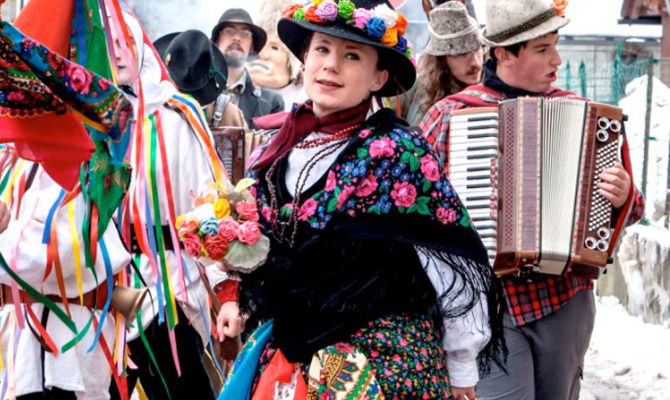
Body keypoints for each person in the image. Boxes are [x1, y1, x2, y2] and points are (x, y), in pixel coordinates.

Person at [216, 1, 504, 399]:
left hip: (381, 359)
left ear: (378, 78)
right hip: (287, 351)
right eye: (321, 49)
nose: (331, 65)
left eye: (351, 55)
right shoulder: (273, 152)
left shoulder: (399, 153)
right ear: (304, 59)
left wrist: (461, 365)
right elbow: (252, 239)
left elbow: (448, 262)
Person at [420, 0, 646, 399]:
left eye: (555, 45)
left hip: (563, 300)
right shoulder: (450, 115)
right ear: (504, 53)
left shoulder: (584, 113)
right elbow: (416, 211)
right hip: (487, 304)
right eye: (542, 49)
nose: (556, 60)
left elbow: (634, 210)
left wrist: (623, 195)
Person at [106, 10, 230, 400]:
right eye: (110, 44)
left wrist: (225, 287)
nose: (119, 54)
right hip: (114, 282)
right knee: (117, 379)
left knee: (178, 380)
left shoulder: (176, 116)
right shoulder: (99, 118)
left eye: (126, 42)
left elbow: (208, 204)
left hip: (170, 281)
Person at [396, 1, 485, 126]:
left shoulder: (493, 91)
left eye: (478, 50)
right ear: (442, 60)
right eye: (461, 54)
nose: (476, 63)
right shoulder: (412, 89)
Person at [210, 8, 284, 129]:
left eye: (245, 33)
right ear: (216, 42)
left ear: (252, 47)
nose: (237, 38)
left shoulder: (272, 103)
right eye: (229, 31)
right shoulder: (194, 88)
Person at [248, 0, 307, 111]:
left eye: (274, 48)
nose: (263, 54)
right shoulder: (239, 92)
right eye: (259, 45)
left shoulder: (306, 97)